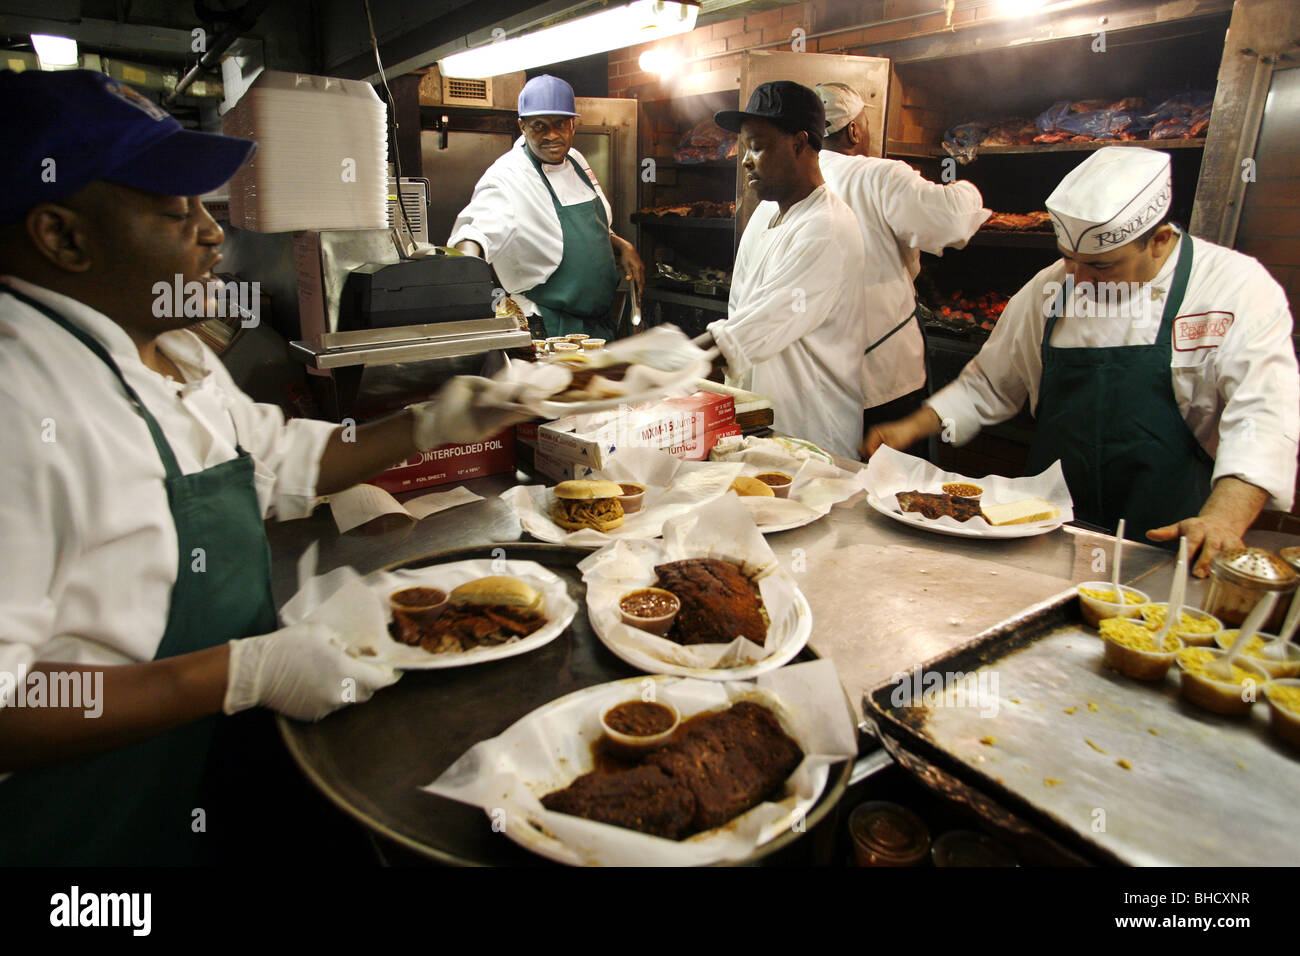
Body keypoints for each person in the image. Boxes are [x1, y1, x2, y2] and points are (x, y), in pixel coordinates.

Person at [0, 69, 532, 864]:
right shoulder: (18, 403)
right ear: (62, 235)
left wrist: (434, 421)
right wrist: (239, 675)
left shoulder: (168, 349)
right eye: (175, 210)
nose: (212, 232)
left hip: (202, 770)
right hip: (89, 823)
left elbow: (281, 459)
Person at [863, 146, 1299, 575]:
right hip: (1050, 533)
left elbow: (1263, 414)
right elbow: (990, 383)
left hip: (1168, 539)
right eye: (1067, 258)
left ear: (1160, 240)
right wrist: (912, 426)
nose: (1077, 279)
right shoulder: (1052, 288)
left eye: (1101, 267)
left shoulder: (1234, 289)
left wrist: (1225, 518)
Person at [694, 81, 871, 460]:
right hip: (759, 427)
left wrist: (651, 368)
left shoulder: (827, 228)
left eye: (757, 146)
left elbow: (751, 329)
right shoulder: (765, 214)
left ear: (799, 143)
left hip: (812, 438)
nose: (745, 160)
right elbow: (740, 313)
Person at [813, 82, 989, 455]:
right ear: (854, 130)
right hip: (884, 376)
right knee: (892, 485)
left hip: (817, 374)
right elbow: (951, 220)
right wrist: (969, 188)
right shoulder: (877, 175)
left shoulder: (797, 181)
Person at [449, 74, 644, 339]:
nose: (552, 135)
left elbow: (591, 227)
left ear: (573, 125)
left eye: (560, 123)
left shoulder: (575, 159)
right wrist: (464, 281)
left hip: (596, 324)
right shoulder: (508, 176)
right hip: (547, 326)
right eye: (539, 125)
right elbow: (475, 231)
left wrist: (621, 244)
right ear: (522, 126)